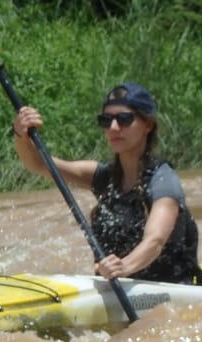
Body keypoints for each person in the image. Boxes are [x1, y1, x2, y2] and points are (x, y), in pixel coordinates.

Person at [12, 82, 202, 285]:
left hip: (174, 288)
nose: (113, 128)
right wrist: (21, 135)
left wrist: (123, 267)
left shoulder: (163, 180)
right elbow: (40, 164)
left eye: (124, 119)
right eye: (106, 120)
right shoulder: (102, 177)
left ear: (148, 125)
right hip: (118, 284)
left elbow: (155, 240)